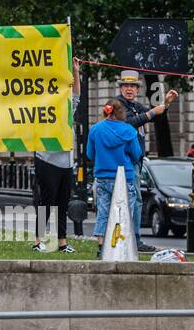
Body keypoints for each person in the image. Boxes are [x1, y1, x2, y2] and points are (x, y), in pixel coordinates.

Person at [117, 70, 179, 252]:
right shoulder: (117, 105)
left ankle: (133, 239)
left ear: (137, 89)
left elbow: (157, 115)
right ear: (121, 88)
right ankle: (132, 240)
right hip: (126, 159)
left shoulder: (135, 105)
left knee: (134, 200)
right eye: (126, 86)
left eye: (133, 86)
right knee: (131, 200)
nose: (129, 89)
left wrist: (165, 103)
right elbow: (128, 123)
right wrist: (151, 113)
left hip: (136, 159)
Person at [87, 98, 143, 259]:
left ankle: (101, 246)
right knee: (125, 212)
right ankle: (121, 244)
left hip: (103, 177)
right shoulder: (129, 131)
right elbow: (136, 154)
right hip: (124, 176)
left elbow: (90, 154)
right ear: (121, 113)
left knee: (103, 213)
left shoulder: (95, 130)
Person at [32, 70, 80, 253]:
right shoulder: (42, 108)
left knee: (62, 203)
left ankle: (62, 242)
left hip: (66, 163)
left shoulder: (67, 108)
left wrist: (75, 71)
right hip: (47, 160)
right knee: (47, 201)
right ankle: (38, 240)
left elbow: (77, 95)